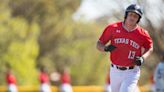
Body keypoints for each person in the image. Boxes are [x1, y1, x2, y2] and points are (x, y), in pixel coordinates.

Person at [96, 4, 153, 92]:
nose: (132, 17)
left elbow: (149, 48)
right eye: (130, 14)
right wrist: (105, 48)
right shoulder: (113, 28)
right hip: (115, 71)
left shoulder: (143, 34)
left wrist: (143, 58)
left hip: (132, 72)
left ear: (138, 19)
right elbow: (99, 43)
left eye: (135, 16)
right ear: (126, 15)